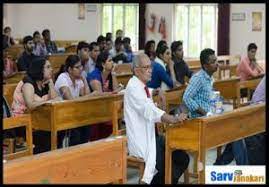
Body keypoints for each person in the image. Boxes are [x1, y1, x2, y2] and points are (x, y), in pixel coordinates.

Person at [124, 53, 189, 184]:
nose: (150, 70)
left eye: (150, 67)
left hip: (152, 136)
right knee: (167, 165)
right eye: (146, 67)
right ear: (136, 70)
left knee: (182, 157)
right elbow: (150, 110)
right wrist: (172, 118)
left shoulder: (140, 84)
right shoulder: (133, 88)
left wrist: (156, 90)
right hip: (141, 140)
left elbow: (146, 91)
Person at [182, 48, 249, 165]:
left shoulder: (210, 78)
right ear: (205, 65)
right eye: (213, 62)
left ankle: (219, 166)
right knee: (236, 133)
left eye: (216, 60)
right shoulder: (198, 78)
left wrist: (221, 107)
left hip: (210, 118)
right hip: (199, 121)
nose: (216, 64)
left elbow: (211, 98)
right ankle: (237, 168)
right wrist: (204, 112)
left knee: (238, 131)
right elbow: (186, 98)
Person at [11, 57, 61, 153]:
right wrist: (47, 102)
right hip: (22, 122)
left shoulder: (44, 82)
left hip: (39, 119)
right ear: (39, 69)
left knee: (60, 130)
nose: (51, 69)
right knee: (46, 135)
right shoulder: (28, 83)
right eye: (48, 67)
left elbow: (55, 99)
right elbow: (30, 105)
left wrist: (50, 83)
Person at [55, 54, 96, 146]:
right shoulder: (63, 78)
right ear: (69, 69)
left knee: (88, 125)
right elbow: (71, 101)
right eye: (77, 67)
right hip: (62, 114)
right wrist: (90, 96)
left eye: (81, 66)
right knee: (76, 134)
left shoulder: (78, 79)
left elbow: (86, 96)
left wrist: (84, 80)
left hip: (74, 113)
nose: (81, 69)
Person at [86, 51, 123, 141]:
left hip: (106, 108)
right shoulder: (95, 75)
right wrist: (114, 92)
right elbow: (99, 95)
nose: (112, 63)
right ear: (103, 64)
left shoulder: (110, 75)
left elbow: (116, 91)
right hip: (93, 109)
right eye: (110, 61)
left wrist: (113, 74)